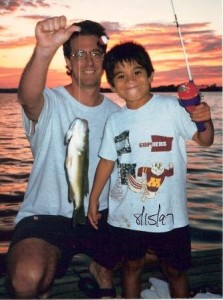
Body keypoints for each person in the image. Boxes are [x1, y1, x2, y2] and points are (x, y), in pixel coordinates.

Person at [88, 41, 214, 298]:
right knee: (131, 265)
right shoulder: (115, 120)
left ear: (150, 76)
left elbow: (205, 140)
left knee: (175, 270)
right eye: (120, 76)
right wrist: (93, 198)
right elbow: (107, 161)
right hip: (126, 214)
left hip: (170, 214)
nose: (130, 80)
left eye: (137, 72)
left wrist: (204, 120)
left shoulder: (170, 108)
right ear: (112, 85)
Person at [6, 16, 120, 299]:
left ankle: (101, 267)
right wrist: (44, 50)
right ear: (68, 63)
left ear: (104, 60)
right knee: (28, 279)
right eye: (79, 54)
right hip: (48, 216)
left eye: (96, 53)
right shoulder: (51, 102)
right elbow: (27, 98)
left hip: (100, 215)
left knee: (165, 248)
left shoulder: (118, 115)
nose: (89, 61)